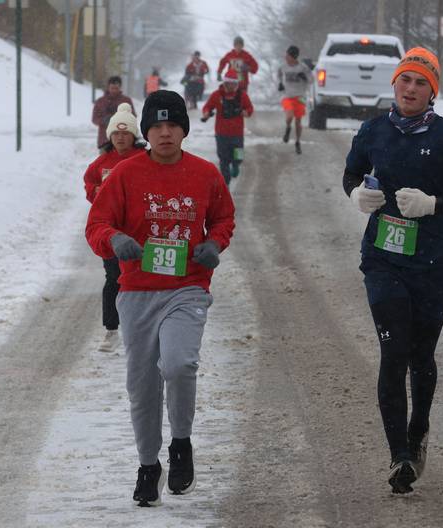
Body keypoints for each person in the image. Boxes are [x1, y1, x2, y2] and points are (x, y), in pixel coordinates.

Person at [343, 47, 443, 494]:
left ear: (433, 92)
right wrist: (356, 195)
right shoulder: (372, 131)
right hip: (383, 260)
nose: (410, 89)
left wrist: (435, 205)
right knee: (394, 353)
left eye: (420, 83)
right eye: (405, 80)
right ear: (394, 84)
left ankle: (419, 429)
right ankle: (400, 457)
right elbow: (351, 174)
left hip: (436, 264)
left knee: (420, 355)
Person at [85, 90, 235, 506]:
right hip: (136, 292)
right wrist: (115, 240)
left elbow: (223, 218)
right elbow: (96, 224)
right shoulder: (125, 175)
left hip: (187, 288)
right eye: (157, 126)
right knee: (143, 384)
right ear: (145, 132)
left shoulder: (205, 173)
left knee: (179, 363)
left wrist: (214, 243)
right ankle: (148, 465)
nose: (165, 133)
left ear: (183, 131)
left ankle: (181, 444)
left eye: (172, 126)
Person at [83, 103, 146, 352]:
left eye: (125, 133)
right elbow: (90, 184)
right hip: (111, 232)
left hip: (140, 230)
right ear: (110, 136)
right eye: (116, 134)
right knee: (114, 278)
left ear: (133, 135)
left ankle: (141, 327)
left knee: (141, 279)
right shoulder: (102, 162)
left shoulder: (143, 158)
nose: (121, 138)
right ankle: (111, 329)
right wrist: (98, 192)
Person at [201, 68, 254, 184]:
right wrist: (206, 114)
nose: (231, 86)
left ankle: (236, 165)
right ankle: (226, 184)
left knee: (238, 156)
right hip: (221, 133)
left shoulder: (242, 96)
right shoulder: (217, 95)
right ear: (225, 83)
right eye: (229, 83)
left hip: (237, 133)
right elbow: (207, 107)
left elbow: (250, 108)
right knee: (223, 159)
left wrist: (246, 112)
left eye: (234, 84)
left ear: (236, 84)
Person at [277, 45, 313, 155]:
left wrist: (305, 78)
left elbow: (311, 80)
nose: (286, 57)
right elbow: (279, 74)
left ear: (294, 57)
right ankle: (288, 127)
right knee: (289, 116)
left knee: (298, 121)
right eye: (286, 55)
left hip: (300, 97)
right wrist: (280, 84)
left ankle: (297, 142)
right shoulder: (283, 67)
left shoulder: (302, 68)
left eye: (288, 55)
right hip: (287, 96)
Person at [91, 76, 135, 148]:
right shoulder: (100, 101)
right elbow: (94, 119)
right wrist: (104, 120)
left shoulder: (126, 100)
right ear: (108, 87)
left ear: (120, 87)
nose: (114, 91)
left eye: (116, 88)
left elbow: (133, 117)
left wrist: (121, 119)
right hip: (104, 141)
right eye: (112, 88)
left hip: (124, 142)